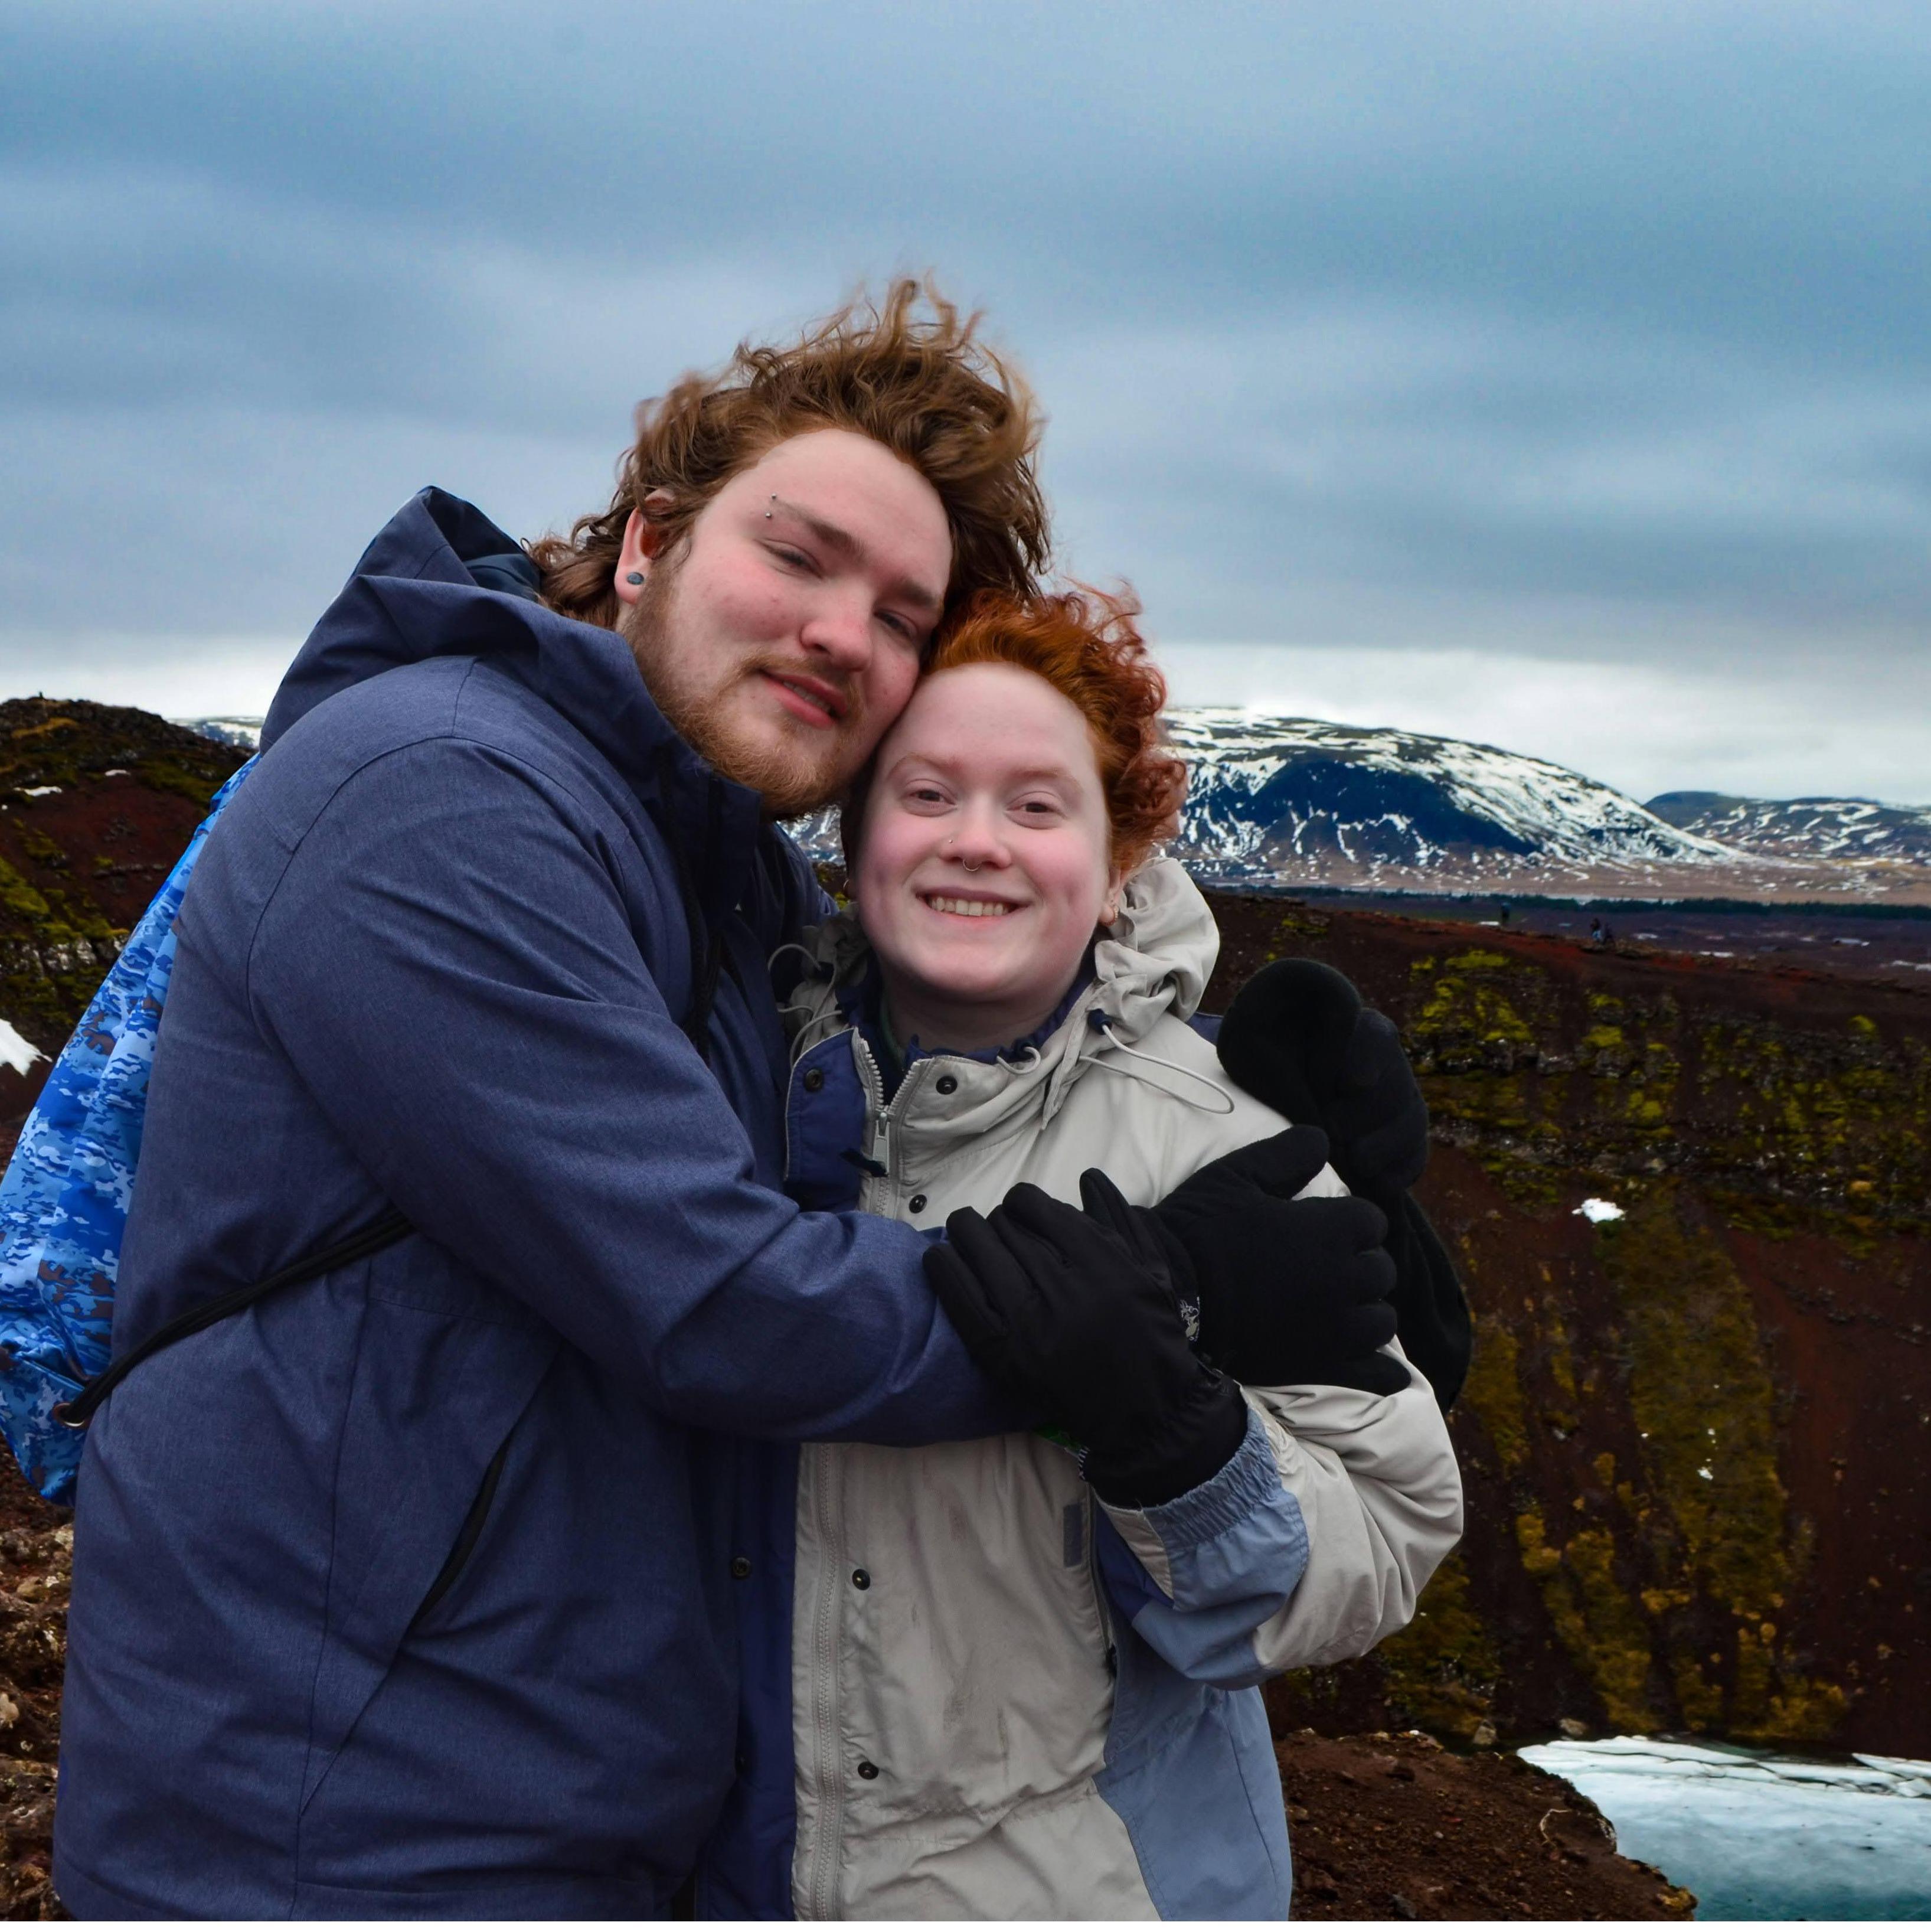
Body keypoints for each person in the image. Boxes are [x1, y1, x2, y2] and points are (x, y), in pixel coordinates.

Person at [51, 286, 1421, 1918]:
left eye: (904, 613)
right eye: (800, 555)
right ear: (648, 543)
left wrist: (1284, 1185)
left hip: (597, 1795)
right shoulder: (440, 793)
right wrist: (1171, 1286)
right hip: (352, 1813)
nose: (847, 631)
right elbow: (711, 1291)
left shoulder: (733, 892)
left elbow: (969, 1055)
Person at [706, 588, 1461, 1918]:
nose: (976, 844)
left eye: (1038, 806)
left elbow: (1389, 1534)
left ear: (1121, 857)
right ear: (858, 828)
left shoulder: (1229, 1141)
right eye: (926, 793)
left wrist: (1182, 1442)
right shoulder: (721, 1090)